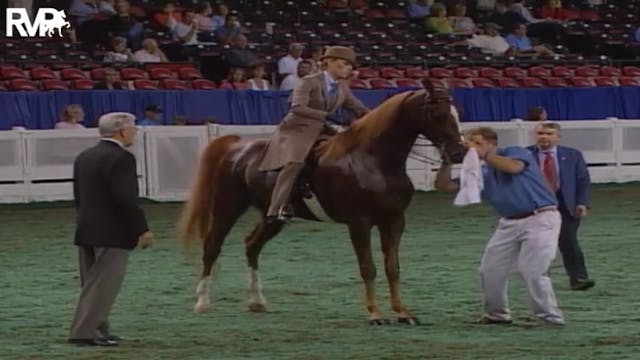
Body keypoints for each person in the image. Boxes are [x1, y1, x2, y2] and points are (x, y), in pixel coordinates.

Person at [435, 127, 565, 326]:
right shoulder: (479, 171)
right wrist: (446, 162)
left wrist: (483, 155)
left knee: (533, 270)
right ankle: (496, 315)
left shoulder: (514, 152)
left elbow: (514, 168)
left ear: (491, 144)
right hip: (508, 222)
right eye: (469, 143)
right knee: (490, 269)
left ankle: (550, 317)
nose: (471, 147)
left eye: (477, 142)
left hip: (541, 217)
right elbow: (443, 186)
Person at [68, 112, 154, 346]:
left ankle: (99, 329)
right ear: (122, 131)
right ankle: (84, 333)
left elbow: (79, 197)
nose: (135, 131)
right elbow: (126, 199)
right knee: (103, 286)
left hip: (87, 228)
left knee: (92, 284)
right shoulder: (123, 158)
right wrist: (142, 229)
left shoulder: (84, 156)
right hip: (112, 232)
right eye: (133, 127)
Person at [258, 46, 370, 223]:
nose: (349, 68)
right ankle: (276, 209)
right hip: (297, 128)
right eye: (345, 64)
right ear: (329, 62)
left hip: (321, 129)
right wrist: (325, 115)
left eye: (351, 65)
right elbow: (297, 108)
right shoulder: (309, 81)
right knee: (295, 163)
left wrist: (378, 117)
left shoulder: (342, 88)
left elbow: (358, 108)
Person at [527, 122, 594, 291]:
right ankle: (538, 279)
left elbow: (582, 180)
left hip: (566, 205)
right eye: (540, 133)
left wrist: (582, 202)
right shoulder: (525, 154)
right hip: (535, 206)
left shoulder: (573, 155)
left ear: (558, 136)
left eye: (549, 133)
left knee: (569, 242)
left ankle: (578, 278)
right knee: (538, 244)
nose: (544, 137)